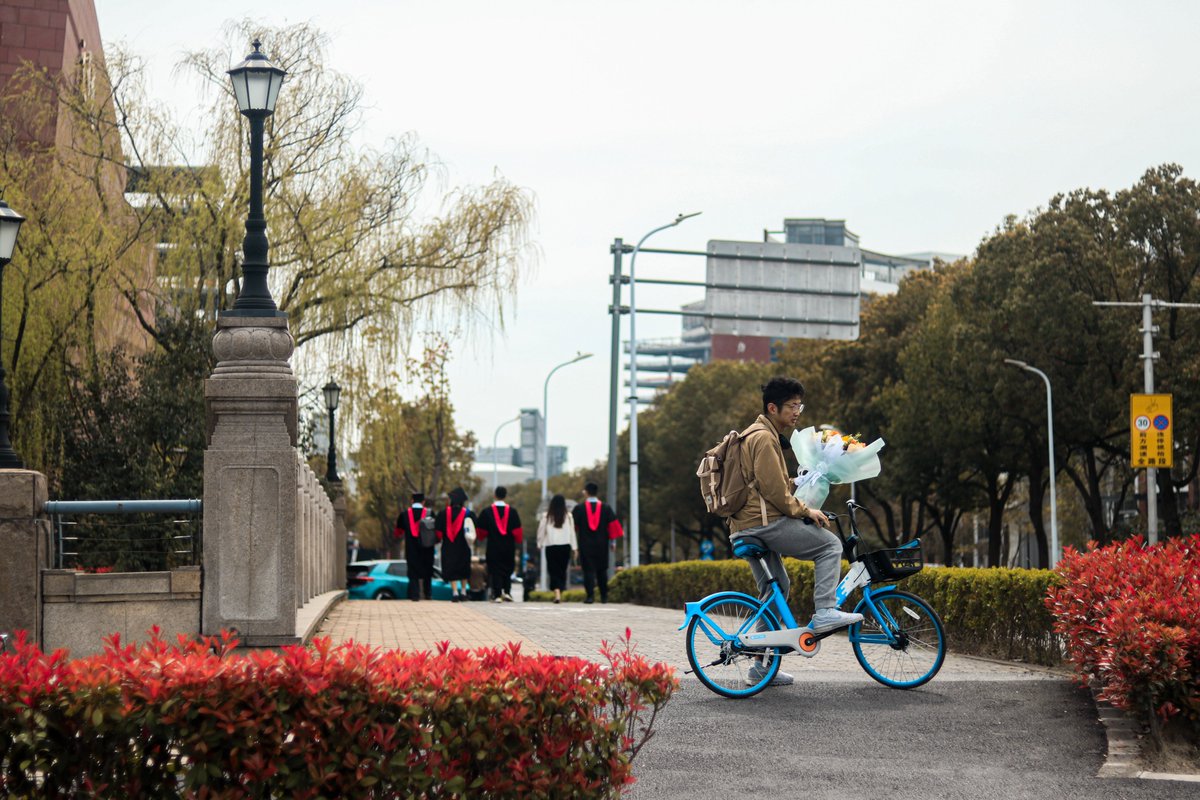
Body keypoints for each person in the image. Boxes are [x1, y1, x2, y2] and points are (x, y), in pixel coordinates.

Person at [729, 377, 864, 687]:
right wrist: (806, 510)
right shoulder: (764, 437)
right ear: (772, 408)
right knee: (829, 546)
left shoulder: (760, 434)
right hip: (762, 524)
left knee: (776, 589)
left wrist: (801, 481)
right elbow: (775, 493)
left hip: (745, 525)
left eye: (799, 405)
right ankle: (826, 610)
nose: (797, 412)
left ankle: (761, 669)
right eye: (792, 406)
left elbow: (769, 484)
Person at [571, 482, 623, 604]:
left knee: (588, 571)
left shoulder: (579, 508)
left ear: (586, 492)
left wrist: (574, 545)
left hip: (585, 544)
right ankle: (604, 597)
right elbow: (613, 527)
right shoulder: (606, 508)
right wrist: (613, 542)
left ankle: (590, 597)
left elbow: (573, 528)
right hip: (602, 544)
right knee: (602, 570)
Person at [476, 486, 523, 602]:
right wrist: (518, 541)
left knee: (495, 569)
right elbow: (517, 532)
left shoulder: (486, 512)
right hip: (508, 546)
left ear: (495, 495)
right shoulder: (513, 512)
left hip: (493, 546)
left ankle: (497, 594)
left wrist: (481, 537)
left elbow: (481, 532)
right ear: (505, 496)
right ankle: (507, 592)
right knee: (507, 569)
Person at [436, 487, 476, 602]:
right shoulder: (469, 514)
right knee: (463, 568)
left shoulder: (443, 514)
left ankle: (454, 593)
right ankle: (463, 592)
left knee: (451, 568)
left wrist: (441, 538)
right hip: (464, 546)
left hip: (449, 546)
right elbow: (474, 530)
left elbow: (438, 533)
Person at [537, 494, 577, 604]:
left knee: (553, 570)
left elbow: (541, 531)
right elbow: (572, 533)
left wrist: (539, 543)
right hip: (565, 546)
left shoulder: (546, 516)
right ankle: (560, 590)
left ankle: (557, 591)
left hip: (551, 546)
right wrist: (574, 548)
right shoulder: (568, 516)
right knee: (562, 570)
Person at [394, 492, 433, 601]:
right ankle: (428, 594)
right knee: (427, 571)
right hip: (427, 548)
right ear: (423, 502)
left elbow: (398, 532)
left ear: (412, 501)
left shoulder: (404, 514)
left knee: (413, 571)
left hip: (411, 549)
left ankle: (415, 595)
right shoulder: (430, 513)